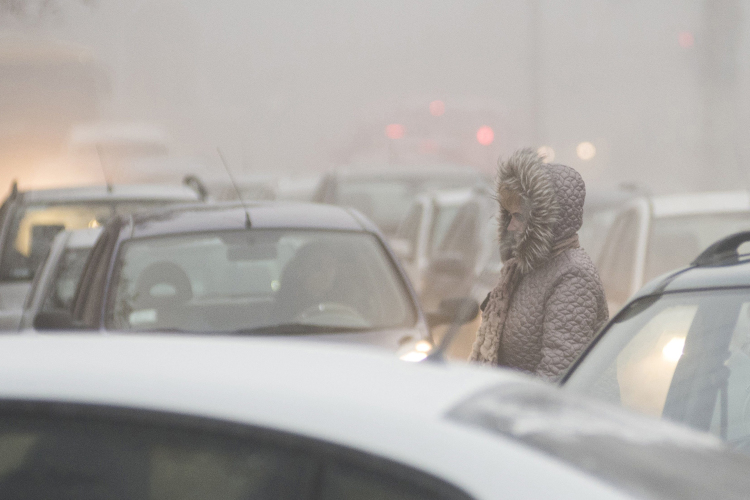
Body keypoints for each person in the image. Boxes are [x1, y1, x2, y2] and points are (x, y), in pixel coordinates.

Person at [470, 148, 608, 381]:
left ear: (545, 221)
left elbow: (557, 375)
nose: (511, 227)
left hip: (551, 414)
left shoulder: (573, 277)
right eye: (509, 215)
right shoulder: (524, 271)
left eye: (519, 217)